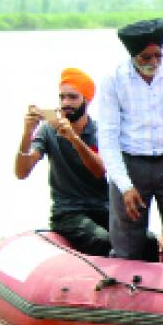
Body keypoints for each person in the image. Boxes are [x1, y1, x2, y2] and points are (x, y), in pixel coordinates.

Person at [97, 18, 163, 265]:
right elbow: (108, 135)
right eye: (146, 57)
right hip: (131, 161)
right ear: (133, 56)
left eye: (158, 56)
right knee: (127, 238)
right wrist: (124, 186)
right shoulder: (113, 79)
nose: (154, 62)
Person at [14, 68, 111, 256]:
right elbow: (22, 172)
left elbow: (99, 170)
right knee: (101, 240)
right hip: (67, 213)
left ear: (87, 100)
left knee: (146, 240)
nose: (66, 103)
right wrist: (27, 133)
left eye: (73, 97)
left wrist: (73, 138)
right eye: (62, 97)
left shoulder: (101, 131)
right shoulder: (48, 131)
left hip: (102, 208)